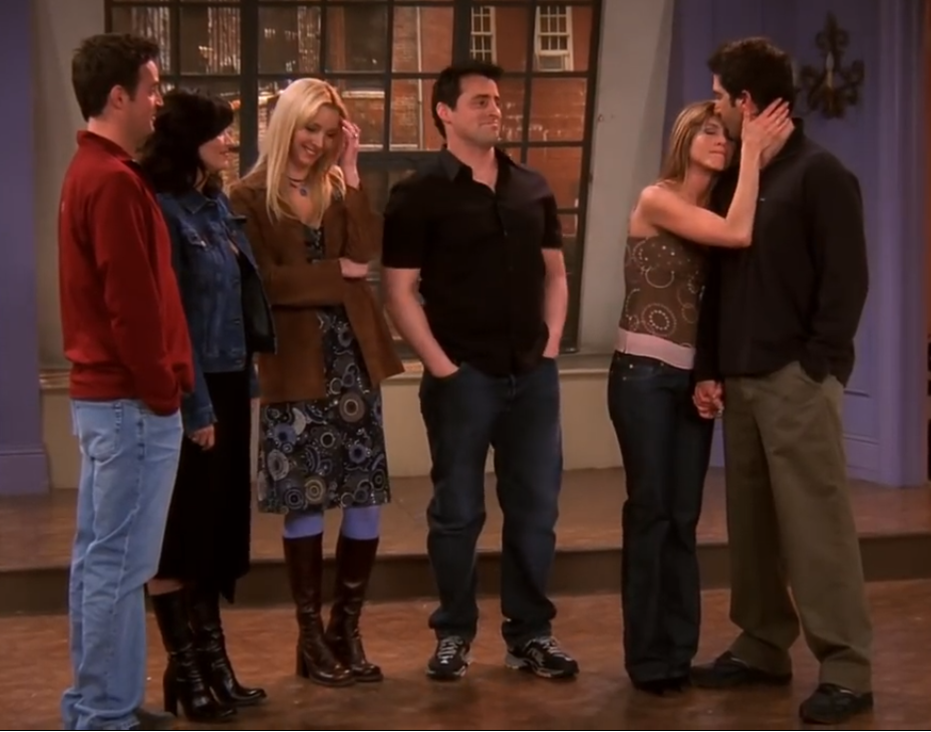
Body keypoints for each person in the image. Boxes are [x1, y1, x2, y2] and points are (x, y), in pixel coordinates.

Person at [689, 37, 875, 726]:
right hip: (740, 381)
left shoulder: (820, 175)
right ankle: (762, 641)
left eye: (718, 97)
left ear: (744, 102)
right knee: (752, 525)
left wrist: (818, 364)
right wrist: (710, 365)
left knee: (816, 527)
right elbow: (718, 281)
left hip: (795, 379)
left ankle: (846, 666)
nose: (712, 109)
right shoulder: (738, 179)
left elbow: (846, 280)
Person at [382, 61, 577, 683]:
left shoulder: (532, 187)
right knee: (458, 512)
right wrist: (442, 366)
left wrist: (551, 344)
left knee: (535, 511)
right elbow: (399, 290)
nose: (495, 109)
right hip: (463, 377)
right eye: (479, 101)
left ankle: (531, 634)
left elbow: (556, 275)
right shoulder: (418, 194)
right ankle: (454, 632)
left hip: (532, 375)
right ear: (445, 112)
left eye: (496, 100)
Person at [607, 98, 791, 696]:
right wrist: (756, 152)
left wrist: (709, 374)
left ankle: (677, 653)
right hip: (641, 375)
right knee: (651, 511)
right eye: (710, 132)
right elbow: (738, 234)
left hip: (691, 380)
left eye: (728, 137)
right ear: (685, 137)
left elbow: (721, 299)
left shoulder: (719, 208)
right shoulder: (656, 199)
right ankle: (647, 659)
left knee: (684, 518)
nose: (721, 142)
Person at [228, 78, 404, 689]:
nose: (318, 141)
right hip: (296, 365)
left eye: (330, 133)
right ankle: (309, 639)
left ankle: (344, 630)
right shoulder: (247, 196)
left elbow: (365, 251)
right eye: (310, 128)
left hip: (354, 362)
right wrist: (336, 274)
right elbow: (265, 282)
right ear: (287, 124)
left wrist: (352, 174)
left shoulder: (334, 186)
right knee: (304, 497)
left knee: (363, 494)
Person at [56, 32, 190, 732]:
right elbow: (131, 305)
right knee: (119, 563)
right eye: (151, 87)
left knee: (101, 559)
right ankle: (105, 715)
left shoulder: (94, 171)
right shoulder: (109, 180)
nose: (158, 100)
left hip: (110, 401)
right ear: (118, 97)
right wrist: (163, 392)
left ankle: (99, 702)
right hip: (129, 403)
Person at [139, 88, 276, 722]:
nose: (229, 141)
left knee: (216, 534)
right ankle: (185, 667)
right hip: (188, 390)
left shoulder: (216, 205)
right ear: (188, 139)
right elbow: (170, 321)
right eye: (218, 132)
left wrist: (243, 382)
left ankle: (214, 660)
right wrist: (195, 408)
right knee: (179, 535)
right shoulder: (163, 210)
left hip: (227, 380)